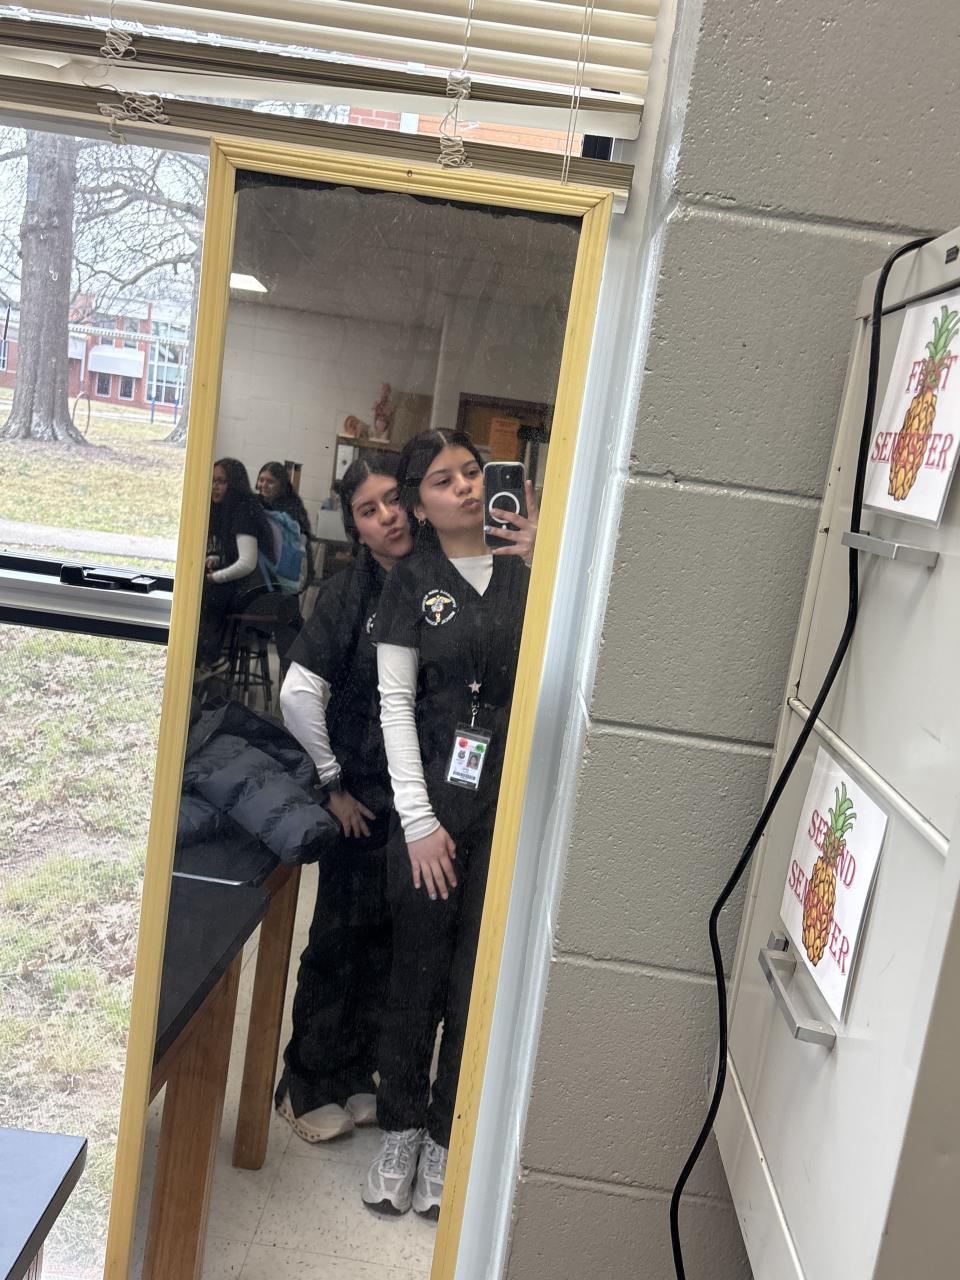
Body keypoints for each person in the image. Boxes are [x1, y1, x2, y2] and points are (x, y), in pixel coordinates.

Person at [363, 428, 538, 1219]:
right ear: (420, 505)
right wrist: (418, 821)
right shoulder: (411, 581)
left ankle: (443, 1138)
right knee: (416, 977)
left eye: (472, 472)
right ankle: (400, 1130)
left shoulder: (531, 572)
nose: (465, 487)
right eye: (443, 480)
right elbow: (394, 705)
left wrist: (545, 559)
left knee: (474, 984)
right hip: (429, 807)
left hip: (507, 806)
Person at [273, 454, 415, 1142]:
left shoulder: (438, 584)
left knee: (386, 946)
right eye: (369, 509)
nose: (387, 516)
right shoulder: (348, 594)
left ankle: (358, 1072)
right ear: (356, 527)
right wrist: (332, 785)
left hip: (414, 810)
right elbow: (298, 694)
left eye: (393, 500)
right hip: (357, 801)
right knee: (338, 939)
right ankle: (305, 1084)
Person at [197, 457, 274, 666]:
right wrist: (216, 559)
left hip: (257, 593)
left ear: (234, 484)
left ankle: (208, 660)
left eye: (221, 481)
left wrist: (213, 578)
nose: (214, 486)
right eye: (212, 480)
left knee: (206, 592)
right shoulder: (232, 508)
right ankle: (207, 658)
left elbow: (247, 563)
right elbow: (235, 554)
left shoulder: (244, 510)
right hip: (250, 585)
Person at [256, 461, 313, 539]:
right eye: (261, 480)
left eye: (270, 482)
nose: (264, 485)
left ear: (281, 485)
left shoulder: (292, 509)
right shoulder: (254, 502)